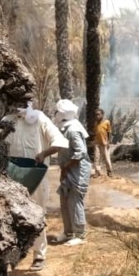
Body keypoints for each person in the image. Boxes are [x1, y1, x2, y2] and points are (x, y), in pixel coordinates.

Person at [4, 101, 68, 272]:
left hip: (36, 177)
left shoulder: (39, 119)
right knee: (9, 218)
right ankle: (11, 257)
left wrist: (44, 153)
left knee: (37, 215)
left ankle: (39, 255)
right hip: (11, 178)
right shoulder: (7, 120)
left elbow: (59, 141)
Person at [35, 99, 92, 246]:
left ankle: (80, 234)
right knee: (65, 201)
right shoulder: (65, 128)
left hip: (77, 171)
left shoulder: (73, 130)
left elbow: (80, 153)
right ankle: (68, 232)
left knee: (74, 201)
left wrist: (66, 167)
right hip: (68, 169)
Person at [92, 108, 114, 177]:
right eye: (96, 115)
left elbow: (109, 132)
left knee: (106, 158)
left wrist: (108, 142)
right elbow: (96, 132)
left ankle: (109, 171)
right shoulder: (96, 123)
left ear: (102, 115)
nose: (97, 116)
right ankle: (97, 171)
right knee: (97, 157)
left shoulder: (106, 122)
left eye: (98, 114)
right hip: (97, 143)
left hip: (104, 143)